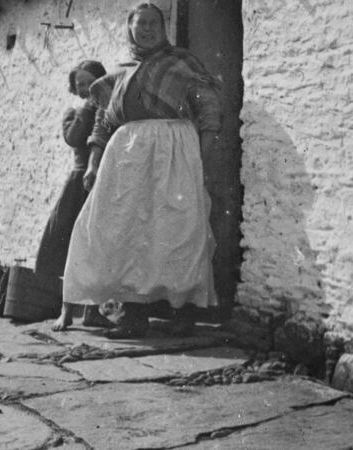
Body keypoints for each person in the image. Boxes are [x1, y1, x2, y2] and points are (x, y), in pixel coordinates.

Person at [52, 2, 222, 339]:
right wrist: (94, 164)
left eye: (153, 23)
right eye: (140, 23)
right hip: (127, 155)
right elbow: (103, 122)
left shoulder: (182, 63)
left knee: (176, 229)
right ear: (129, 27)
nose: (147, 29)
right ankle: (133, 316)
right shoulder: (120, 70)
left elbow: (209, 109)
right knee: (126, 231)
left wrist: (200, 160)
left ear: (164, 27)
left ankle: (183, 313)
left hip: (174, 150)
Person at [36, 60, 114, 329]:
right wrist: (87, 108)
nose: (85, 88)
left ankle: (92, 311)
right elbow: (74, 138)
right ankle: (66, 310)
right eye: (80, 84)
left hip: (104, 180)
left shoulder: (108, 108)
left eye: (90, 82)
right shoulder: (76, 112)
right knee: (72, 245)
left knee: (96, 247)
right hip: (80, 183)